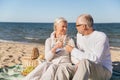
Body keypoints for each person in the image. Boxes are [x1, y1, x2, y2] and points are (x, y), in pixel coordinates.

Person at [65, 14, 113, 80]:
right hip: (84, 67)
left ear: (84, 26)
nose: (76, 27)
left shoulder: (100, 37)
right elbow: (80, 55)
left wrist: (73, 50)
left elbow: (95, 59)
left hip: (103, 70)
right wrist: (77, 63)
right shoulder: (79, 35)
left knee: (85, 62)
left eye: (77, 25)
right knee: (63, 68)